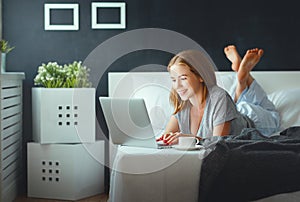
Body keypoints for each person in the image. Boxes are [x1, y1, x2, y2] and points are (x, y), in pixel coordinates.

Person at [157, 45, 280, 145]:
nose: (177, 86)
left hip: (255, 119)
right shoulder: (183, 102)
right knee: (238, 102)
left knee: (274, 116)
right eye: (173, 80)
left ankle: (243, 77)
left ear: (201, 76)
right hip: (234, 111)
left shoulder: (219, 97)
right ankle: (242, 77)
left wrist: (190, 139)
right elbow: (165, 139)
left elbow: (219, 143)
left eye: (183, 78)